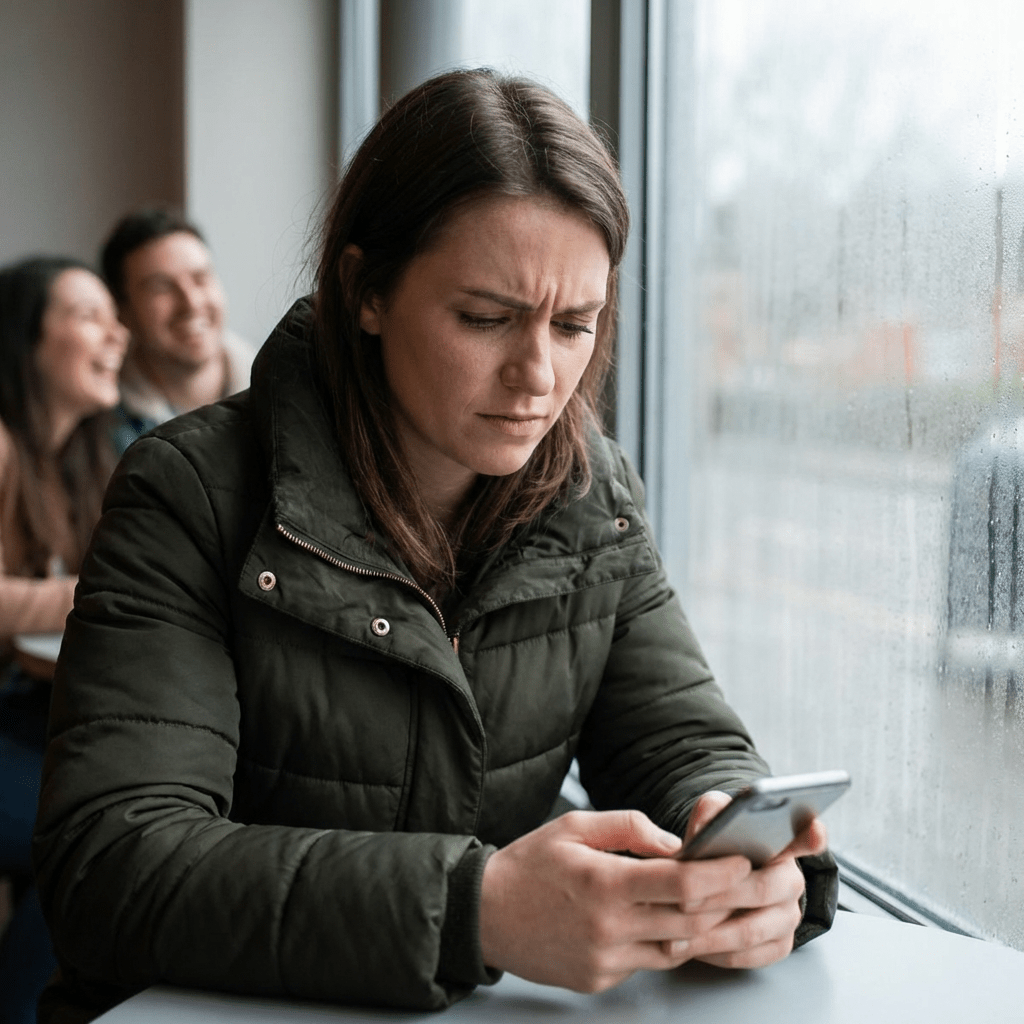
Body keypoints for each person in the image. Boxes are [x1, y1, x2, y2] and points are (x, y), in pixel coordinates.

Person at [33, 70, 837, 1023]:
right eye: (486, 319)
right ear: (365, 290)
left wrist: (747, 858)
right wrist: (474, 910)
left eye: (575, 325)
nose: (539, 376)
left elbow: (680, 740)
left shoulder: (594, 493)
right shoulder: (190, 492)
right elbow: (114, 866)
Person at [0, 257, 128, 1024]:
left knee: (106, 812)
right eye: (86, 314)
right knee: (87, 844)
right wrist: (93, 593)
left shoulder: (77, 462)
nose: (117, 333)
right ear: (25, 338)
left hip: (20, 714)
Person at [98, 209, 256, 454]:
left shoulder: (285, 391)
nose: (191, 303)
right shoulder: (98, 428)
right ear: (123, 311)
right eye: (161, 287)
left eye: (201, 278)